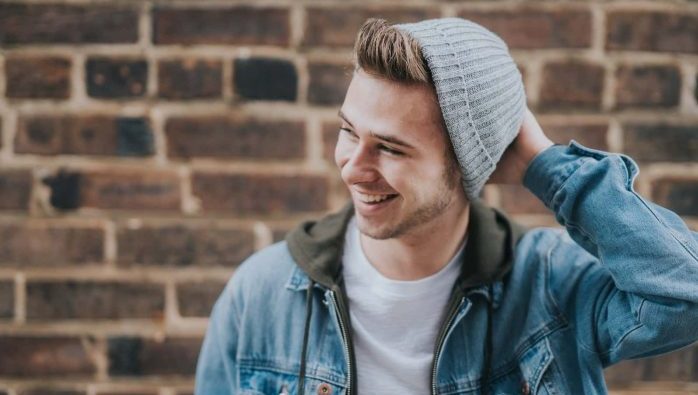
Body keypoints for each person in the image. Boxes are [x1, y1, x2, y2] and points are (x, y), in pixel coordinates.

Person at [194, 17, 698, 395]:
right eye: (349, 131)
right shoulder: (260, 294)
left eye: (390, 147)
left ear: (465, 165)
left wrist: (543, 164)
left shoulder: (549, 286)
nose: (352, 167)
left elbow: (686, 294)